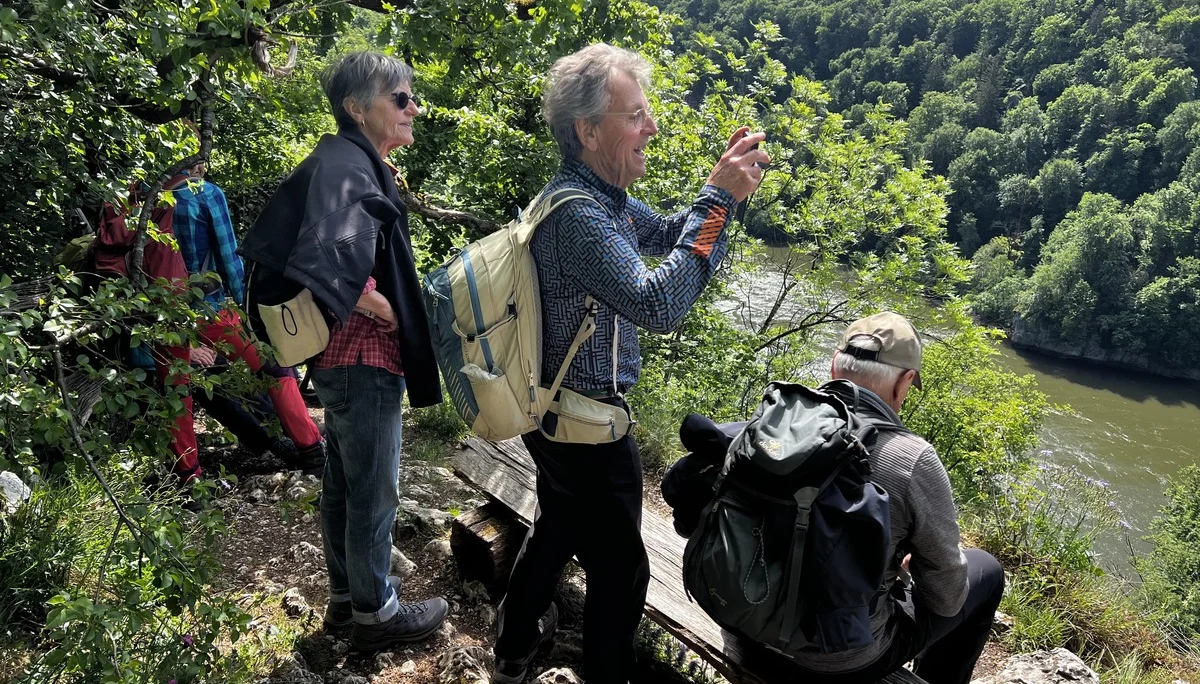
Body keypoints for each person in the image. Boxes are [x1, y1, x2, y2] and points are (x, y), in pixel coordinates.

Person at [490, 43, 769, 684]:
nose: (652, 127)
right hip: (587, 426)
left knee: (558, 524)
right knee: (624, 574)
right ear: (588, 131)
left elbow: (678, 235)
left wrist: (723, 195)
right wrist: (715, 204)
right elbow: (659, 303)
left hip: (552, 411)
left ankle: (511, 647)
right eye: (636, 115)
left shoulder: (595, 197)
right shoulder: (582, 217)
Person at [238, 52, 447, 652]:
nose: (413, 107)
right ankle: (376, 613)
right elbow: (331, 255)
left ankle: (344, 599)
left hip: (340, 360)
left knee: (345, 484)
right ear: (358, 108)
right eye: (399, 98)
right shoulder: (349, 165)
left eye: (412, 96)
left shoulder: (348, 161)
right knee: (375, 490)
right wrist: (385, 309)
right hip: (363, 360)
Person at [669, 312, 1004, 684]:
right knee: (987, 572)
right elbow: (947, 598)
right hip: (836, 664)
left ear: (833, 364)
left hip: (741, 623)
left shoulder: (777, 420)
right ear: (905, 381)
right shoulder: (913, 459)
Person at [162, 161, 326, 478]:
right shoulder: (204, 194)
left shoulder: (138, 198)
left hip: (156, 318)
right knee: (275, 366)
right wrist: (249, 309)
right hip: (207, 312)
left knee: (177, 391)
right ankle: (311, 451)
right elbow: (229, 258)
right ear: (195, 162)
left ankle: (189, 479)